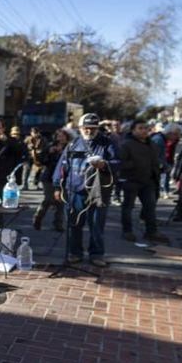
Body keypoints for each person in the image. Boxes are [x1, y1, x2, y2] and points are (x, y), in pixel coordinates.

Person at [53, 113, 120, 267]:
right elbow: (62, 166)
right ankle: (74, 253)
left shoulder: (107, 143)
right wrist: (58, 186)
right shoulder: (73, 144)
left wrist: (103, 164)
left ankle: (96, 254)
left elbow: (118, 162)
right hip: (75, 191)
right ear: (80, 128)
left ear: (97, 129)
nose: (89, 131)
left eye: (92, 128)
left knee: (97, 225)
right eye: (86, 128)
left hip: (98, 192)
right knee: (74, 224)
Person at [119, 120, 168, 243]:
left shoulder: (151, 144)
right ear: (133, 130)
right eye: (140, 128)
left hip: (149, 180)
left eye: (146, 128)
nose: (144, 131)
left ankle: (151, 232)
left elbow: (157, 160)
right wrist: (136, 165)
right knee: (128, 207)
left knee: (150, 207)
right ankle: (127, 231)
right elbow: (121, 163)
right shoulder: (126, 144)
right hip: (132, 180)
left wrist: (162, 166)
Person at [32, 127, 70, 232]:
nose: (60, 138)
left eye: (63, 136)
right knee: (48, 199)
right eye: (59, 136)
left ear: (67, 138)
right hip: (49, 177)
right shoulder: (51, 146)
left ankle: (58, 224)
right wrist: (49, 152)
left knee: (61, 201)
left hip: (63, 178)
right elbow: (40, 160)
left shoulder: (70, 148)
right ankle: (38, 217)